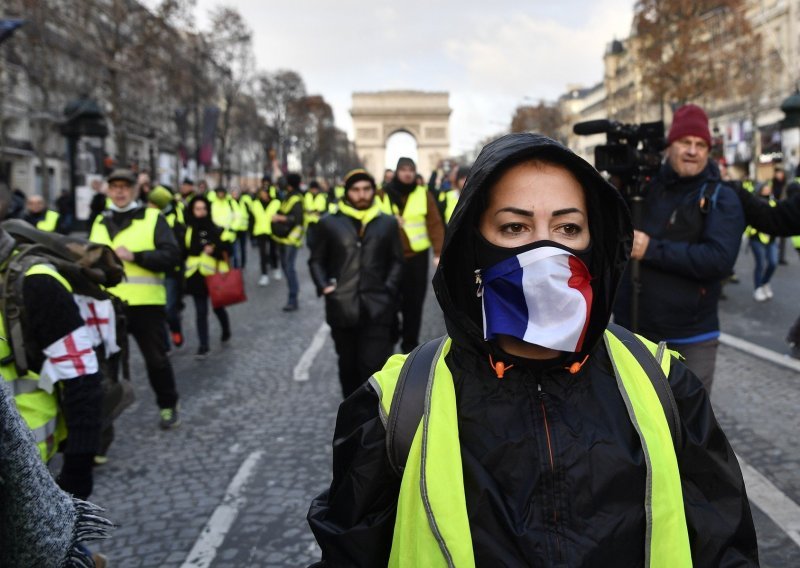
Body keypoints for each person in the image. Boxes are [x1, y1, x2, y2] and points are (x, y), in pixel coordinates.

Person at [308, 133, 758, 566]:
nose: (544, 249)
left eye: (567, 227)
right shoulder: (392, 407)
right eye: (514, 226)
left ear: (594, 242)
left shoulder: (665, 383)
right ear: (475, 248)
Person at [612, 104, 744, 396]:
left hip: (691, 337)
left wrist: (651, 249)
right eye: (685, 142)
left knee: (686, 430)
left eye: (700, 145)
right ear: (670, 146)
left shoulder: (721, 197)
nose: (693, 151)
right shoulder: (644, 190)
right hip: (634, 331)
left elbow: (718, 260)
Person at [89, 169, 182, 429]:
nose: (119, 191)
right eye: (114, 186)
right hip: (107, 306)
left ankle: (168, 405)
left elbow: (172, 256)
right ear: (108, 190)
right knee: (107, 368)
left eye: (125, 187)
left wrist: (137, 256)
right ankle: (102, 430)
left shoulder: (152, 217)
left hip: (146, 303)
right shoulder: (99, 221)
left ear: (135, 190)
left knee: (156, 360)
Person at [308, 169, 403, 398]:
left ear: (373, 191)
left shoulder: (388, 223)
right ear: (347, 192)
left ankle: (375, 423)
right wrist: (326, 287)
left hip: (378, 307)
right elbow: (316, 260)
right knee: (348, 369)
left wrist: (388, 290)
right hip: (343, 307)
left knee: (374, 368)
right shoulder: (328, 223)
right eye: (356, 190)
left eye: (366, 189)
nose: (361, 195)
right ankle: (352, 422)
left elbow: (397, 261)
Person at [0, 381, 112, 567]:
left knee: (44, 539)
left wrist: (78, 467)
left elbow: (83, 379)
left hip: (32, 451)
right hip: (25, 460)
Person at [385, 157, 445, 352]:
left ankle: (409, 344)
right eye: (403, 169)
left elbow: (434, 223)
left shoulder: (423, 194)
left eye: (411, 169)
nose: (407, 173)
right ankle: (392, 330)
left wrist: (438, 252)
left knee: (414, 304)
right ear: (396, 172)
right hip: (389, 259)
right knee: (389, 300)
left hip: (416, 259)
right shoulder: (382, 194)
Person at [183, 196, 232, 359]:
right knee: (200, 311)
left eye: (203, 209)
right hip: (195, 276)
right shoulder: (187, 229)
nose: (201, 212)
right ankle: (203, 345)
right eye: (197, 209)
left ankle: (226, 329)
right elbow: (183, 250)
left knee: (218, 308)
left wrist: (215, 249)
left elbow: (227, 248)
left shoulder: (214, 228)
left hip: (213, 275)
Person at [147, 185, 187, 348]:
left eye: (154, 204)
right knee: (158, 311)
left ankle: (175, 329)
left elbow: (179, 248)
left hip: (170, 271)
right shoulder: (146, 219)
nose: (150, 206)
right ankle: (164, 343)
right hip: (152, 270)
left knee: (170, 309)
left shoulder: (174, 220)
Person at [271, 172, 305, 312]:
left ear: (290, 184)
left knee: (289, 268)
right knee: (286, 268)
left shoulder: (295, 199)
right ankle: (292, 296)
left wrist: (279, 218)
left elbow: (297, 219)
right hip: (284, 238)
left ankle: (293, 298)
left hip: (291, 239)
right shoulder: (289, 196)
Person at [746, 182, 778, 301]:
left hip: (771, 238)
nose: (767, 189)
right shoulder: (755, 202)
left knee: (773, 262)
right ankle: (758, 288)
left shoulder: (773, 201)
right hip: (757, 239)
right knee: (760, 264)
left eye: (768, 187)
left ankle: (765, 282)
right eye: (764, 188)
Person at [251, 185, 282, 286]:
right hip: (260, 231)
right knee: (262, 254)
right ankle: (264, 275)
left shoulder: (276, 202)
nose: (263, 195)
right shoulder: (255, 203)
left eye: (265, 192)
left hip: (273, 231)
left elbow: (281, 214)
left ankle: (276, 268)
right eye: (261, 192)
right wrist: (251, 233)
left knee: (273, 252)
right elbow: (252, 219)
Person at [304, 180, 328, 249]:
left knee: (317, 242)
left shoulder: (322, 196)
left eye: (315, 189)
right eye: (312, 189)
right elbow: (305, 207)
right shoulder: (307, 195)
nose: (314, 190)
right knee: (309, 242)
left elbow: (324, 209)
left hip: (318, 222)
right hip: (309, 222)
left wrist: (315, 212)